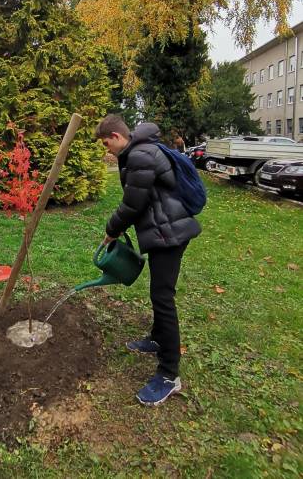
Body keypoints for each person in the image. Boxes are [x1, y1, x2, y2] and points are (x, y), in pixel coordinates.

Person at [95, 114, 201, 406]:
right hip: (164, 231)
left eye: (106, 144)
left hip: (170, 234)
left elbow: (132, 203)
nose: (107, 150)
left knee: (163, 298)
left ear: (117, 136)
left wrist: (111, 231)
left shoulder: (140, 155)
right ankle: (157, 339)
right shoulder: (138, 152)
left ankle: (169, 375)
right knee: (159, 294)